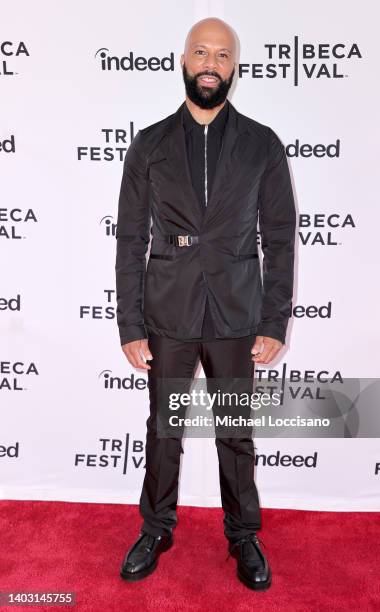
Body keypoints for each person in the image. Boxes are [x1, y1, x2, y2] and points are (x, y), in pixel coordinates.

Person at [115, 17, 296, 591]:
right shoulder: (150, 143)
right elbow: (129, 238)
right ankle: (156, 527)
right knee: (165, 427)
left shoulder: (262, 144)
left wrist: (274, 319)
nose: (211, 63)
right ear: (184, 61)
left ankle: (243, 535)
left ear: (234, 67)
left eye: (222, 55)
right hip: (167, 309)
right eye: (201, 52)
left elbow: (280, 237)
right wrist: (130, 322)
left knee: (235, 430)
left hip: (237, 313)